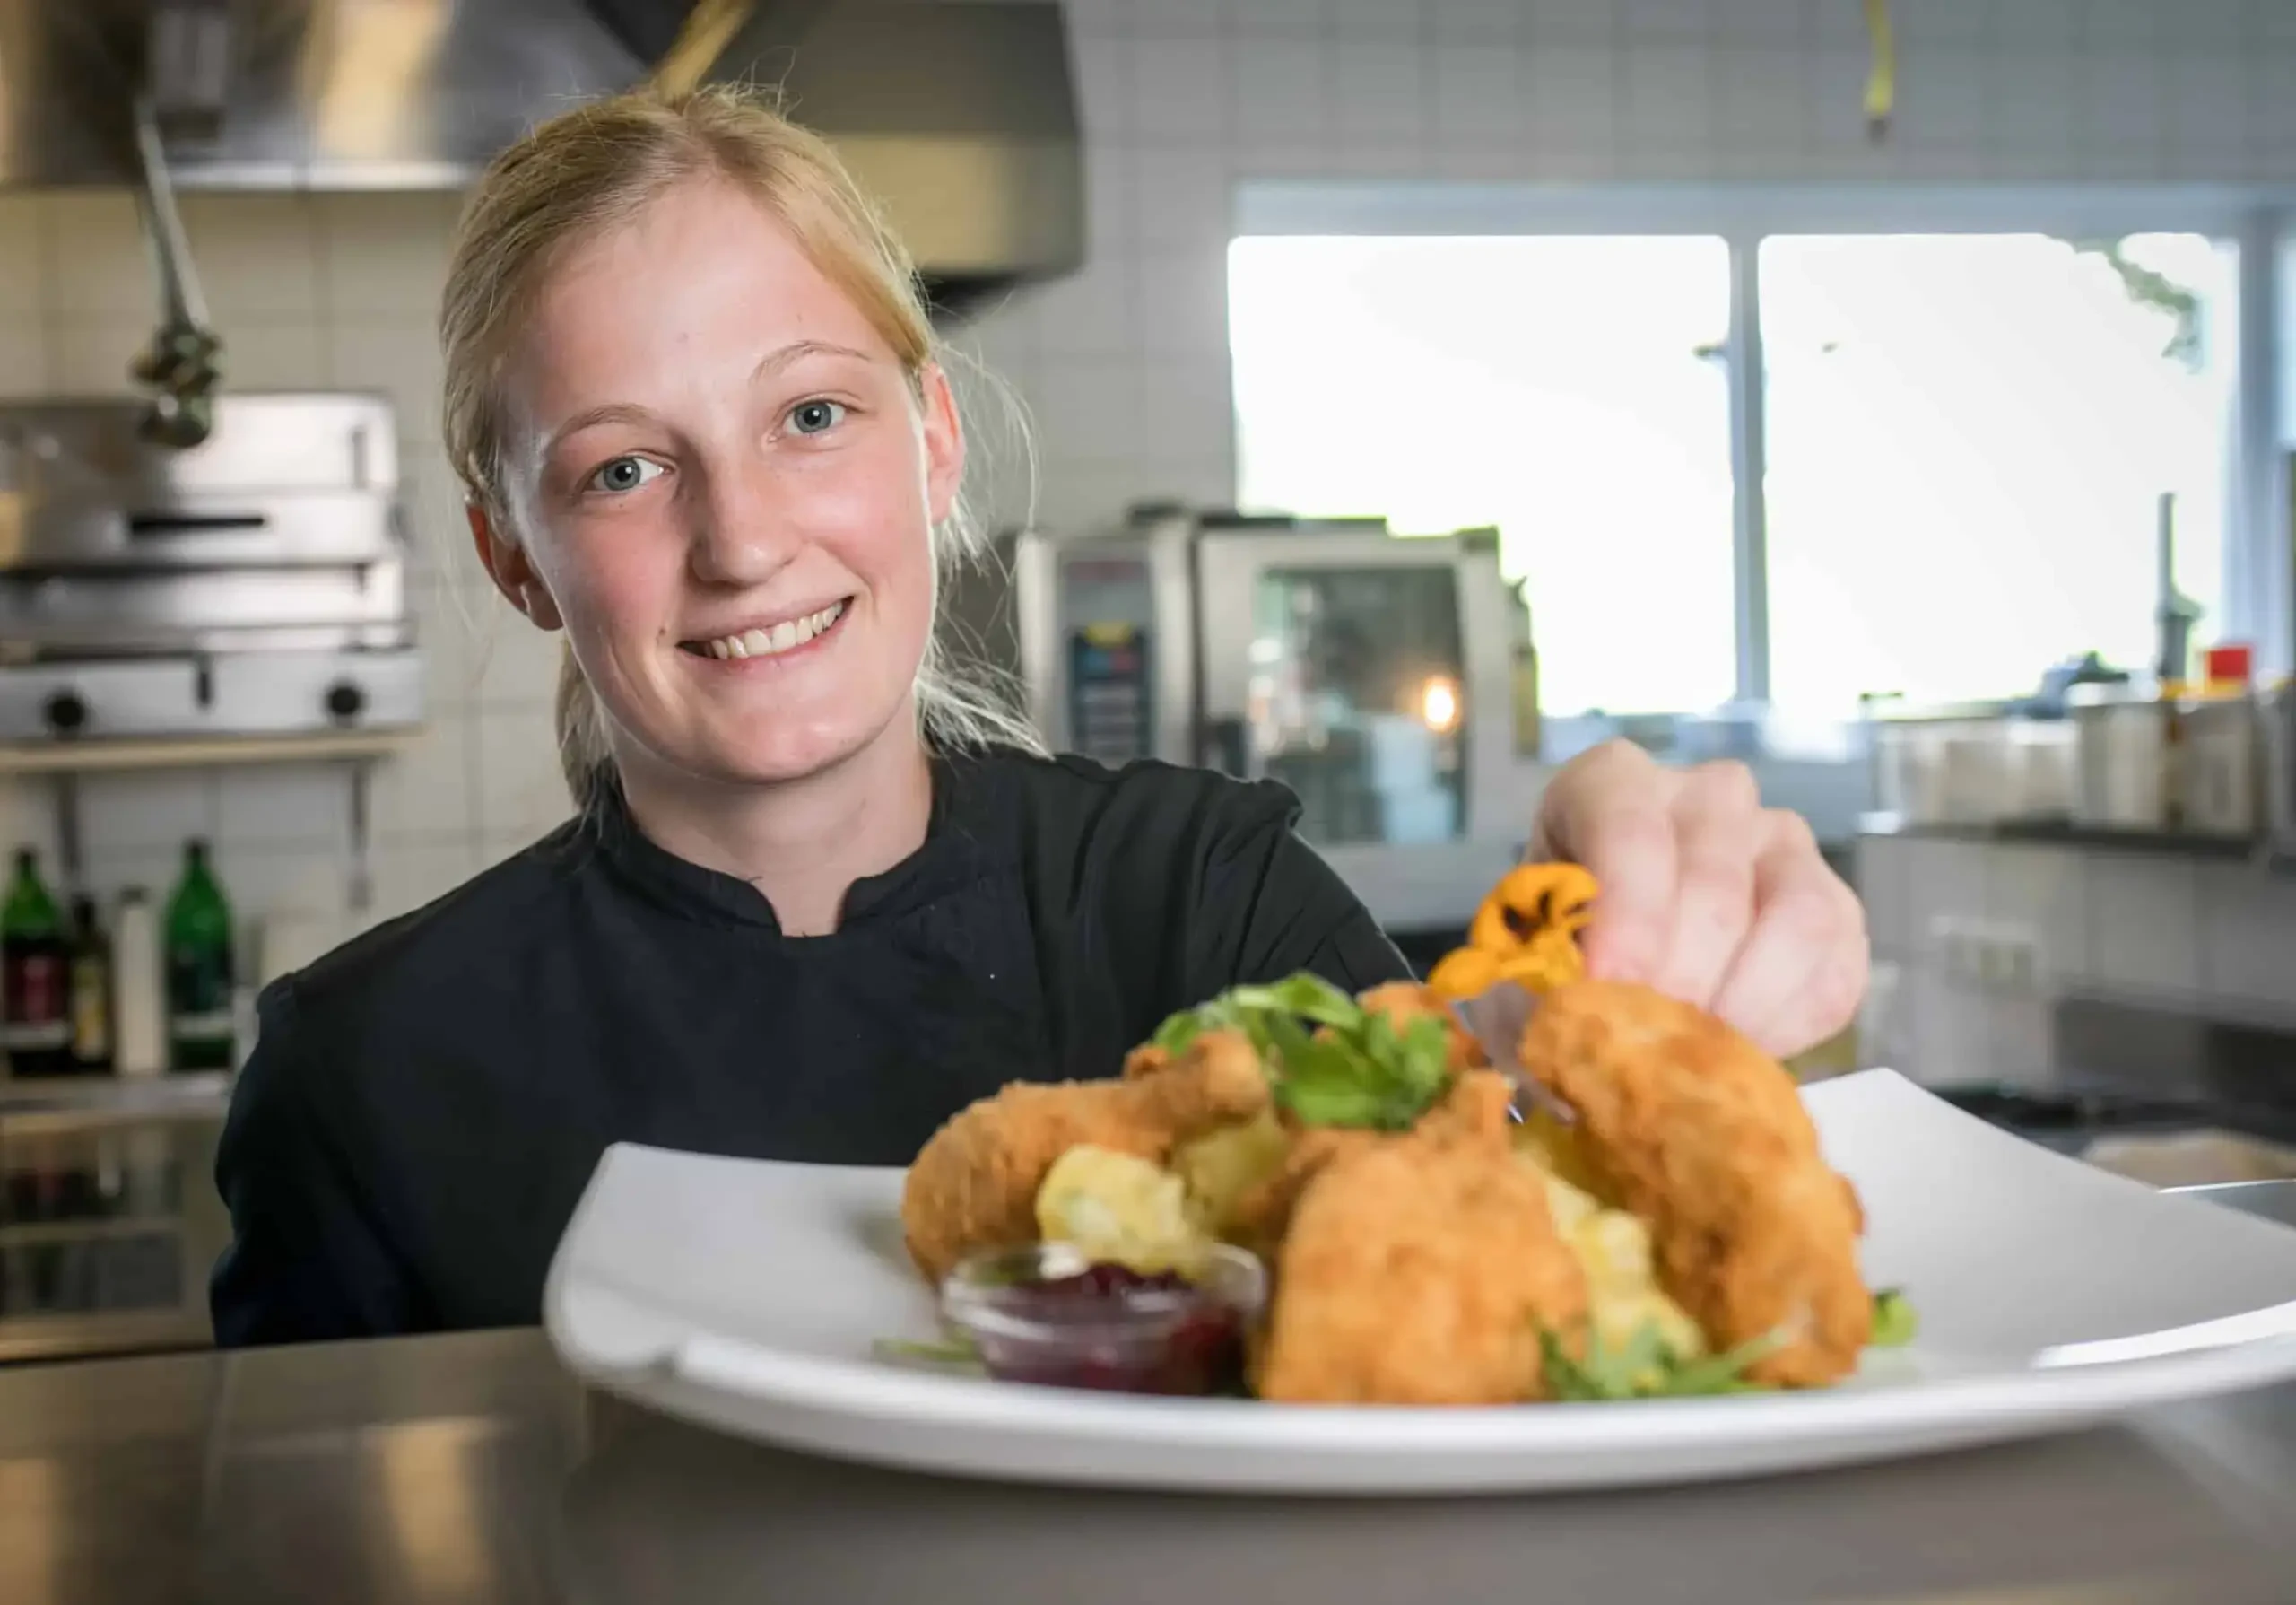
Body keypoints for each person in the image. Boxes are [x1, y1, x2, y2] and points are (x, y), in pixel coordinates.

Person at [207, 85, 1868, 1348]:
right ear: (514, 552)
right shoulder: (365, 1075)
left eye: (810, 413)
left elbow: (1496, 1244)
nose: (743, 540)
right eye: (625, 468)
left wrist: (1611, 992)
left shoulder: (1206, 898)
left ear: (931, 443)